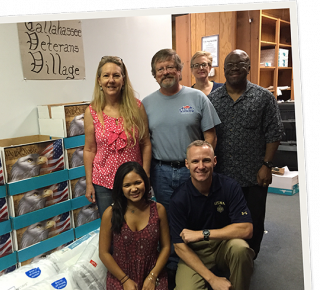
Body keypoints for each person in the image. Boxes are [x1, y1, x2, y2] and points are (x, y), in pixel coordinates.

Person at [208, 49, 284, 259]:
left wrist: (267, 165)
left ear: (249, 68)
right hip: (222, 175)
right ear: (223, 70)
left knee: (254, 220)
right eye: (229, 65)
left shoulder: (263, 97)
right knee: (223, 218)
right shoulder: (212, 100)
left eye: (240, 64)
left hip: (254, 175)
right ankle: (227, 257)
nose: (234, 68)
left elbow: (274, 133)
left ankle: (250, 257)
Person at [168, 140, 255, 290]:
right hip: (196, 252)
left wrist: (203, 234)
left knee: (241, 249)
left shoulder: (230, 186)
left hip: (224, 244)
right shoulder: (179, 199)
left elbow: (247, 229)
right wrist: (212, 279)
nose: (201, 166)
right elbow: (179, 246)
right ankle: (213, 275)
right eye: (195, 161)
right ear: (187, 164)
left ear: (214, 161)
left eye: (206, 160)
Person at [142, 49, 221, 213]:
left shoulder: (198, 97)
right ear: (155, 75)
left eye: (170, 67)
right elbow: (145, 142)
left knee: (197, 212)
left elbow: (210, 136)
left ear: (179, 71)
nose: (165, 72)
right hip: (161, 172)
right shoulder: (146, 104)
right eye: (160, 69)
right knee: (167, 217)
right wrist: (147, 172)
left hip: (192, 169)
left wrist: (201, 164)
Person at [99, 161, 178, 290]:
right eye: (127, 185)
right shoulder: (111, 213)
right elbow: (104, 253)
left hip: (152, 271)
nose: (134, 188)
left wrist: (152, 277)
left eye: (138, 182)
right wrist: (124, 280)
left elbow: (165, 247)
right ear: (120, 188)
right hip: (121, 275)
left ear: (145, 182)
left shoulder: (159, 210)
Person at [83, 56, 152, 218]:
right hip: (104, 182)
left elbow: (146, 144)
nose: (111, 80)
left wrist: (146, 176)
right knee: (112, 226)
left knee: (136, 223)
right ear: (99, 80)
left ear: (123, 79)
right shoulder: (92, 111)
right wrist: (88, 183)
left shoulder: (137, 107)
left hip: (134, 181)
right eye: (106, 76)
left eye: (116, 75)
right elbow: (89, 149)